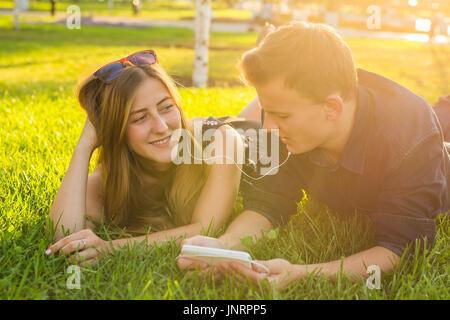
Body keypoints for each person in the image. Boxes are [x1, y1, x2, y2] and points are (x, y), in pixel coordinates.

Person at [177, 22, 450, 289]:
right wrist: (224, 247)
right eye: (266, 111)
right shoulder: (289, 121)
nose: (268, 128)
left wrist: (299, 274)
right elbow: (268, 203)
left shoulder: (409, 135)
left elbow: (398, 249)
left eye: (282, 116)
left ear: (332, 108)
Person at [45, 50, 245, 267]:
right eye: (140, 118)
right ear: (117, 131)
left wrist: (111, 249)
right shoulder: (113, 175)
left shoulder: (221, 141)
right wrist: (83, 148)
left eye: (167, 107)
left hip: (251, 140)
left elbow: (206, 227)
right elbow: (66, 237)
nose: (161, 127)